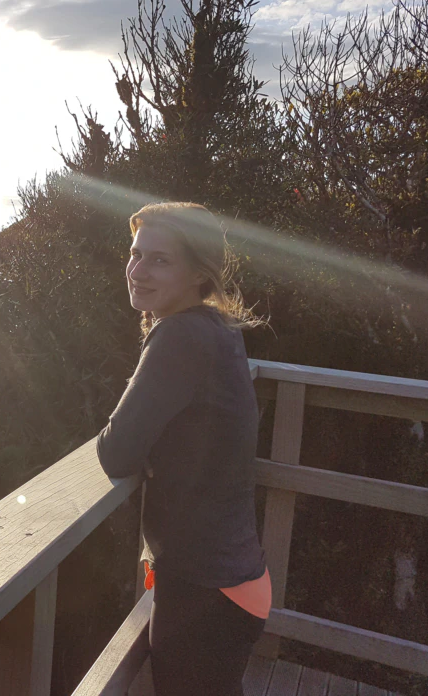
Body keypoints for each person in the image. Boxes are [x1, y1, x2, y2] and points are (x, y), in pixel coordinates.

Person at [95, 201, 271, 696]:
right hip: (234, 579)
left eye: (159, 260)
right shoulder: (215, 327)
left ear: (199, 273)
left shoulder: (179, 334)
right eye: (136, 254)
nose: (138, 271)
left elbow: (116, 451)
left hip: (206, 590)